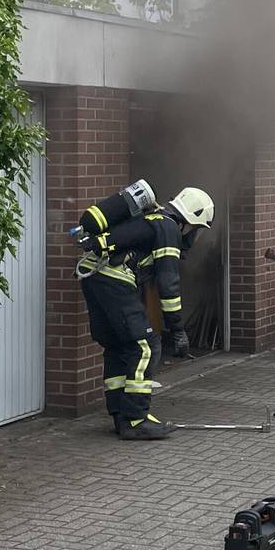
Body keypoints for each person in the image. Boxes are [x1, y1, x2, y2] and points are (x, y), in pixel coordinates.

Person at [77, 185, 215, 440]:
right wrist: (177, 329)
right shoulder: (169, 229)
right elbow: (168, 283)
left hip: (95, 276)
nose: (194, 237)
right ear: (191, 220)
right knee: (146, 346)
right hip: (114, 281)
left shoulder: (153, 219)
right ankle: (136, 419)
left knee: (119, 346)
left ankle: (121, 415)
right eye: (197, 230)